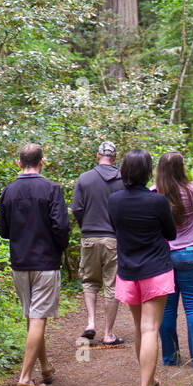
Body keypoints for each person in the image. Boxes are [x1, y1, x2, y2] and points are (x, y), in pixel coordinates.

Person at [0, 142, 71, 386]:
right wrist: (59, 249)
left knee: (33, 316)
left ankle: (45, 367)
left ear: (19, 163)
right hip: (45, 262)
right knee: (38, 317)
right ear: (42, 162)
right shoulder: (51, 189)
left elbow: (3, 231)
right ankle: (25, 378)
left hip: (20, 262)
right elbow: (61, 226)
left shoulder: (8, 191)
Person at [107, 148, 176, 386]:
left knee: (139, 328)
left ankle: (148, 380)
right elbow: (170, 234)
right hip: (155, 268)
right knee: (150, 329)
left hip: (128, 270)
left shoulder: (114, 200)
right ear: (148, 173)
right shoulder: (157, 201)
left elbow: (116, 230)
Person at [155, 151, 193, 370]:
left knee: (167, 309)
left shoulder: (155, 194)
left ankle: (170, 357)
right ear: (181, 168)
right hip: (191, 252)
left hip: (165, 256)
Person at [72, 141, 124, 346]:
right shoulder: (123, 179)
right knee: (112, 285)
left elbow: (76, 208)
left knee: (89, 281)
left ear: (97, 156)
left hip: (89, 237)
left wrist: (86, 225)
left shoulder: (84, 178)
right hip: (114, 238)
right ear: (115, 158)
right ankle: (108, 333)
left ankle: (91, 323)